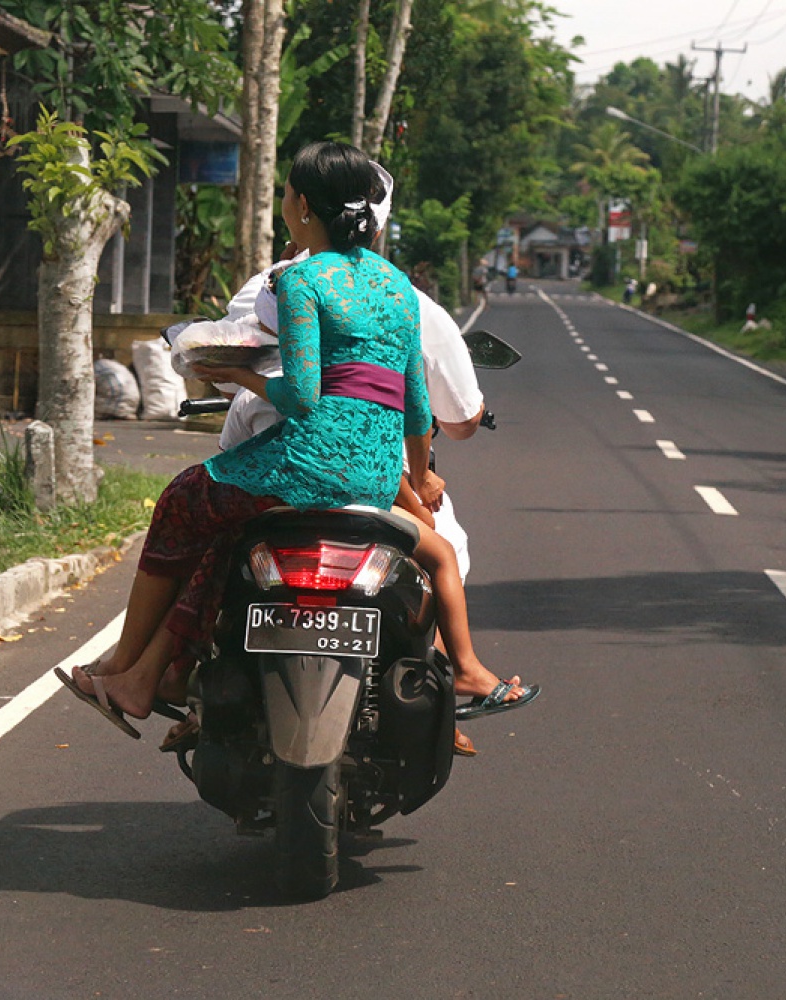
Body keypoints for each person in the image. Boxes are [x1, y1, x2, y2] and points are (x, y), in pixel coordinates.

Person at [57, 141, 535, 738]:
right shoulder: (396, 285)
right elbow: (417, 405)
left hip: (305, 466)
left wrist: (242, 376)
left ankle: (124, 663)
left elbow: (302, 396)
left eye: (286, 193)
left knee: (181, 499)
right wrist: (417, 476)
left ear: (302, 205)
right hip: (376, 475)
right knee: (229, 535)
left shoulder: (302, 279)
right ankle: (152, 673)